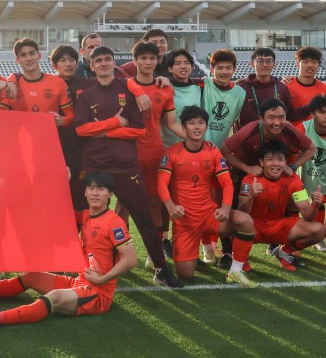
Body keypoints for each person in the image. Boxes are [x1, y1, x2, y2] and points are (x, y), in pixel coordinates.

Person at [0, 171, 138, 326]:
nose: (95, 193)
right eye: (91, 188)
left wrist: (102, 279)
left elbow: (130, 259)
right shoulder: (84, 216)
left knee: (54, 297)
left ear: (110, 194)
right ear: (85, 192)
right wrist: (61, 181)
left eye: (101, 189)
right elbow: (53, 208)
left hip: (99, 293)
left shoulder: (114, 223)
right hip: (80, 282)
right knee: (31, 276)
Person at [74, 45, 181, 287]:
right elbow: (81, 129)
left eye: (107, 59)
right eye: (98, 60)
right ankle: (82, 266)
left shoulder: (130, 91)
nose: (103, 63)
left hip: (125, 166)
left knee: (145, 218)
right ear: (91, 66)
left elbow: (138, 130)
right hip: (94, 166)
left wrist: (105, 132)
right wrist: (114, 122)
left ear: (114, 63)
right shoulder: (86, 95)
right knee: (82, 219)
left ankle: (161, 269)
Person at [157, 106, 257, 285]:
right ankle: (188, 251)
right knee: (185, 274)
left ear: (206, 127)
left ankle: (235, 271)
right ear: (184, 127)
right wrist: (170, 206)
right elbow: (161, 183)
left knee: (246, 221)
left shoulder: (213, 151)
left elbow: (226, 182)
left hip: (209, 215)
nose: (196, 127)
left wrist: (225, 208)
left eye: (201, 123)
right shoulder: (172, 152)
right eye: (192, 123)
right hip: (184, 221)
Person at [125, 41, 181, 255]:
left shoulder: (165, 88)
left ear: (157, 60)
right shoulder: (125, 85)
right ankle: (121, 249)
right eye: (143, 58)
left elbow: (172, 123)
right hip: (128, 153)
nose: (148, 62)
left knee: (155, 201)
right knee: (124, 203)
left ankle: (154, 251)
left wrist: (197, 140)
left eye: (151, 58)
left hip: (155, 152)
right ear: (135, 61)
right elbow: (126, 82)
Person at [237, 140, 326, 271]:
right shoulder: (250, 179)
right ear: (262, 162)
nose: (275, 163)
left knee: (319, 230)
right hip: (253, 226)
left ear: (286, 163)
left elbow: (308, 216)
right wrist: (251, 196)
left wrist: (315, 204)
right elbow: (241, 213)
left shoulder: (294, 180)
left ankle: (284, 251)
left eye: (280, 159)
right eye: (270, 159)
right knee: (233, 221)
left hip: (278, 226)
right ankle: (241, 257)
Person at [50, 43, 89, 211]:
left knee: (80, 193)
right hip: (53, 147)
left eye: (72, 60)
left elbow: (120, 81)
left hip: (81, 146)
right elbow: (18, 76)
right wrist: (12, 79)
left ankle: (84, 234)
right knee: (56, 193)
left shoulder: (87, 83)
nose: (68, 64)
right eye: (63, 60)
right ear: (54, 65)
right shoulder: (48, 83)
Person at [238, 48, 293, 127]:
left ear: (274, 64)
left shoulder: (282, 87)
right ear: (252, 64)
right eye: (260, 61)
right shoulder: (242, 87)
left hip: (275, 136)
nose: (264, 65)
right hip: (248, 136)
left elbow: (289, 113)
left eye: (269, 61)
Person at [201, 49, 245, 147]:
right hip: (197, 149)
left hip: (220, 152)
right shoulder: (203, 85)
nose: (224, 72)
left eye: (228, 68)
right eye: (220, 68)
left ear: (234, 69)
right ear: (212, 69)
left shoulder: (240, 94)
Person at [284, 46, 326, 126]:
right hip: (293, 135)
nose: (310, 65)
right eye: (305, 62)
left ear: (318, 65)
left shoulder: (325, 88)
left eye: (314, 62)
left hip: (316, 135)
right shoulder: (286, 85)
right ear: (297, 64)